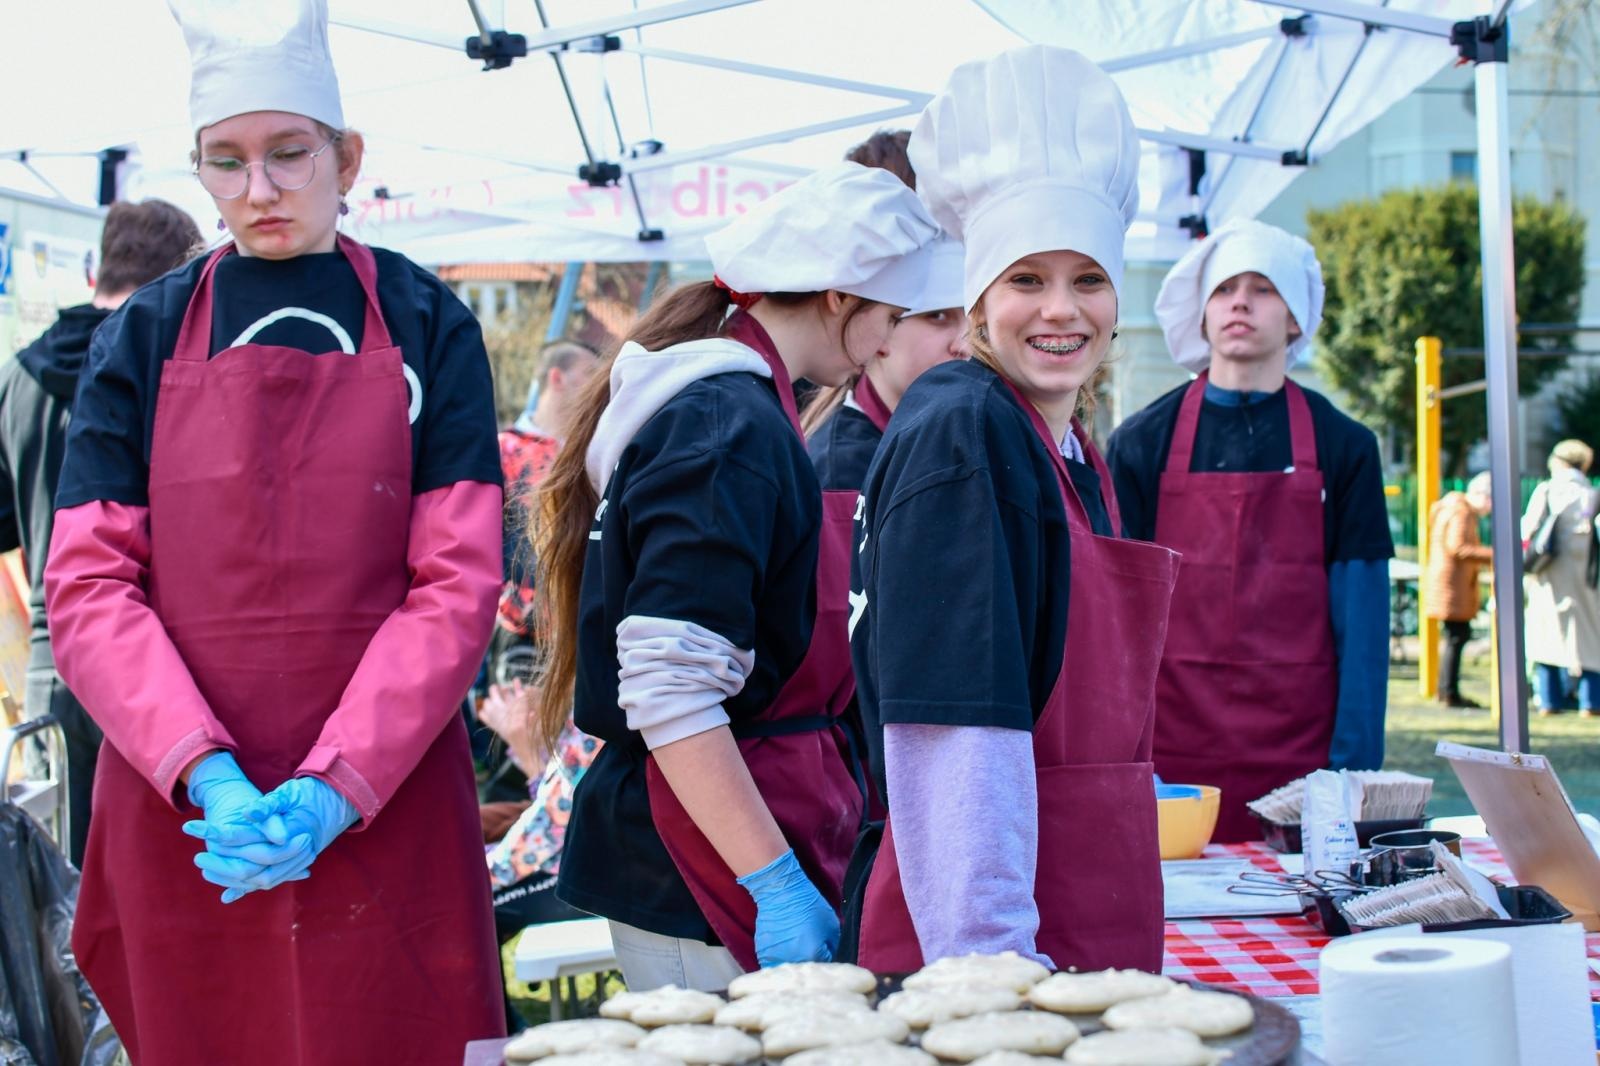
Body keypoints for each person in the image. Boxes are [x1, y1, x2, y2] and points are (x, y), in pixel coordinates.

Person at [42, 2, 505, 1061]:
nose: (259, 190)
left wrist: (335, 783)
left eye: (289, 155)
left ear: (346, 156)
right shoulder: (141, 335)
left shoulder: (432, 323)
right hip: (190, 821)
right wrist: (203, 769)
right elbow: (88, 585)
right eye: (227, 161)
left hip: (381, 804)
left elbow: (456, 581)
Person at [535, 162, 938, 989]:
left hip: (737, 829)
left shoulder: (738, 410)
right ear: (839, 299)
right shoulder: (727, 430)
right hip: (702, 862)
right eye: (891, 316)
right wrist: (773, 881)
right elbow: (671, 688)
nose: (888, 341)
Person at [850, 45, 1177, 973]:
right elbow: (955, 728)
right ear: (978, 303)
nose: (1061, 311)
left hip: (1084, 890)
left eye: (1089, 280)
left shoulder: (1063, 439)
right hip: (998, 936)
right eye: (1027, 281)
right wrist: (989, 970)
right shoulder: (963, 433)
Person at [1106, 219, 1394, 843]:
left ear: (1296, 319)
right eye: (1225, 289)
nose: (1240, 301)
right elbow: (1115, 618)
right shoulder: (1140, 444)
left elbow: (1366, 623)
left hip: (1304, 762)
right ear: (1202, 314)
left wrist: (1348, 774)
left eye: (1263, 288)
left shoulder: (1346, 447)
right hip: (1170, 760)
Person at [0, 198, 199, 867]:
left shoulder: (15, 379)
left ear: (100, 266)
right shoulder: (160, 365)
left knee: (64, 893)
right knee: (158, 889)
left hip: (51, 665)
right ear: (176, 273)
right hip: (155, 666)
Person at [478, 340, 598, 840]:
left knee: (558, 765)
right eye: (589, 375)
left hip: (578, 636)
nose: (599, 387)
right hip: (520, 634)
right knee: (516, 757)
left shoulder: (590, 451)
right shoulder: (503, 451)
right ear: (557, 377)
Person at [1523, 439, 1600, 715]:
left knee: (1546, 634)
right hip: (1588, 575)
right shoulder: (1591, 493)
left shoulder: (1547, 490)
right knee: (1590, 635)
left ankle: (1549, 698)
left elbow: (1528, 530)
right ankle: (1591, 700)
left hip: (1549, 572)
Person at [1425, 472, 1493, 708]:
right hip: (1453, 584)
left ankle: (1447, 689)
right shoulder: (1461, 512)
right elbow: (1458, 547)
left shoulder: (1454, 508)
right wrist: (1495, 554)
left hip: (1450, 582)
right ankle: (1448, 691)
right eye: (1489, 500)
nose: (1490, 508)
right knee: (1457, 636)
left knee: (1456, 636)